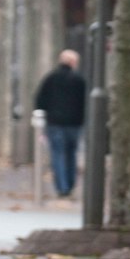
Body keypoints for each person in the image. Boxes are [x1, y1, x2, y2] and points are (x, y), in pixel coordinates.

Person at [34, 49, 87, 199]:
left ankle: (61, 186)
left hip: (55, 122)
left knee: (57, 154)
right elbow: (84, 102)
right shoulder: (79, 80)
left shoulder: (51, 78)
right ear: (74, 63)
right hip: (74, 123)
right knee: (72, 154)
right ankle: (70, 185)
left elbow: (40, 99)